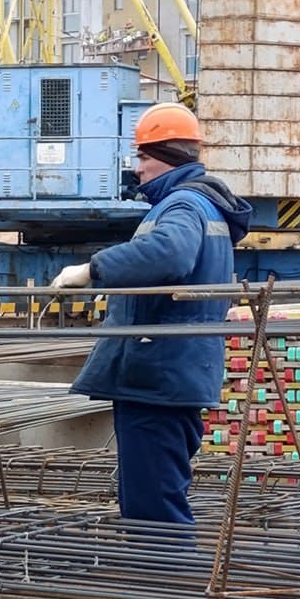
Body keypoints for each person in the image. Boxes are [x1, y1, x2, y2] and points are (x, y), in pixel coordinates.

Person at [50, 102, 252, 525]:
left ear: (168, 157)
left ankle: (169, 583)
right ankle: (160, 581)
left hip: (158, 374)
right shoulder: (200, 206)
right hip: (172, 373)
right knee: (151, 496)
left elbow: (168, 254)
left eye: (143, 157)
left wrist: (92, 269)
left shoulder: (183, 206)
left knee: (153, 508)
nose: (137, 168)